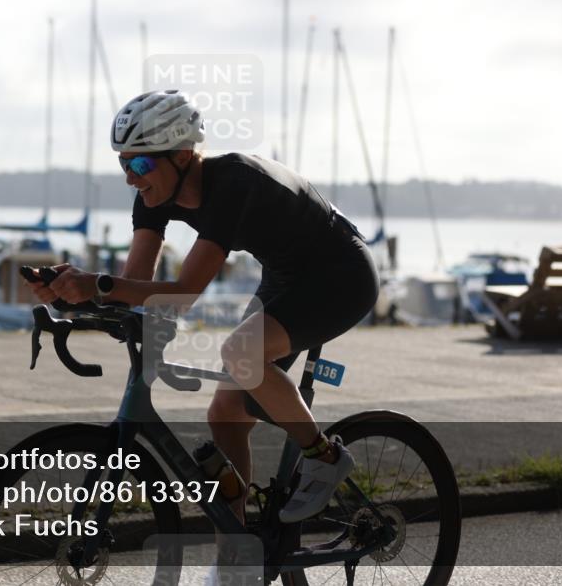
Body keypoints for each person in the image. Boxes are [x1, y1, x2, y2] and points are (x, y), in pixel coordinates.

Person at [26, 90, 379, 525]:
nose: (131, 179)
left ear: (182, 155)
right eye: (124, 164)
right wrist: (70, 295)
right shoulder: (153, 195)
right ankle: (237, 548)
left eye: (140, 165)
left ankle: (325, 457)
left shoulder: (233, 182)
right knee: (226, 414)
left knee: (241, 353)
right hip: (285, 277)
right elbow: (133, 284)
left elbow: (183, 292)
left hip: (341, 273)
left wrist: (97, 283)